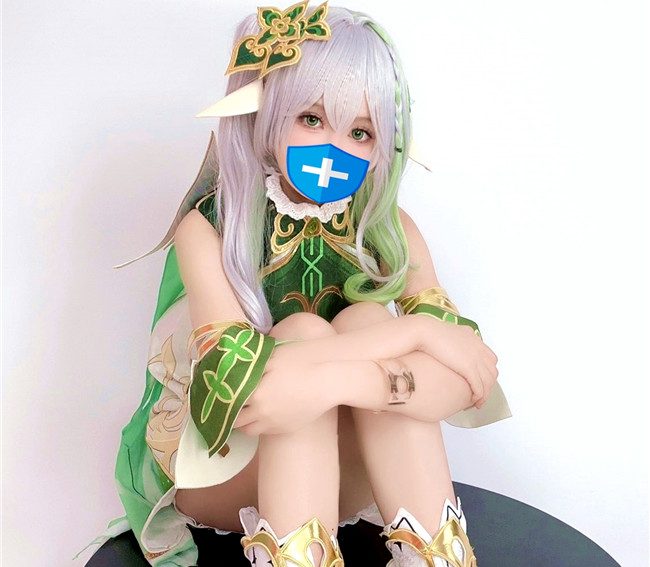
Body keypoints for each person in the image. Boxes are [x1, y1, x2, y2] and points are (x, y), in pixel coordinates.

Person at [76, 2, 512, 566]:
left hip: (346, 472)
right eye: (311, 118)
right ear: (267, 110)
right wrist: (418, 334)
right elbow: (244, 394)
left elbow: (467, 381)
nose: (335, 148)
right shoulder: (209, 229)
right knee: (306, 329)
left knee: (364, 318)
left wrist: (333, 381)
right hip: (226, 470)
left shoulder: (390, 229)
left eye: (360, 131)